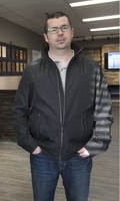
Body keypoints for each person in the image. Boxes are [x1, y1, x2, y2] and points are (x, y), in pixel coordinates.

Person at [13, 11, 113, 201]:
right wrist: (29, 143)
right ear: (46, 36)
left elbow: (103, 109)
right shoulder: (32, 71)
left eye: (64, 27)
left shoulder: (91, 68)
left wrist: (97, 143)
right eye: (53, 29)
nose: (59, 33)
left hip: (79, 155)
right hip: (42, 154)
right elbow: (19, 110)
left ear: (72, 31)